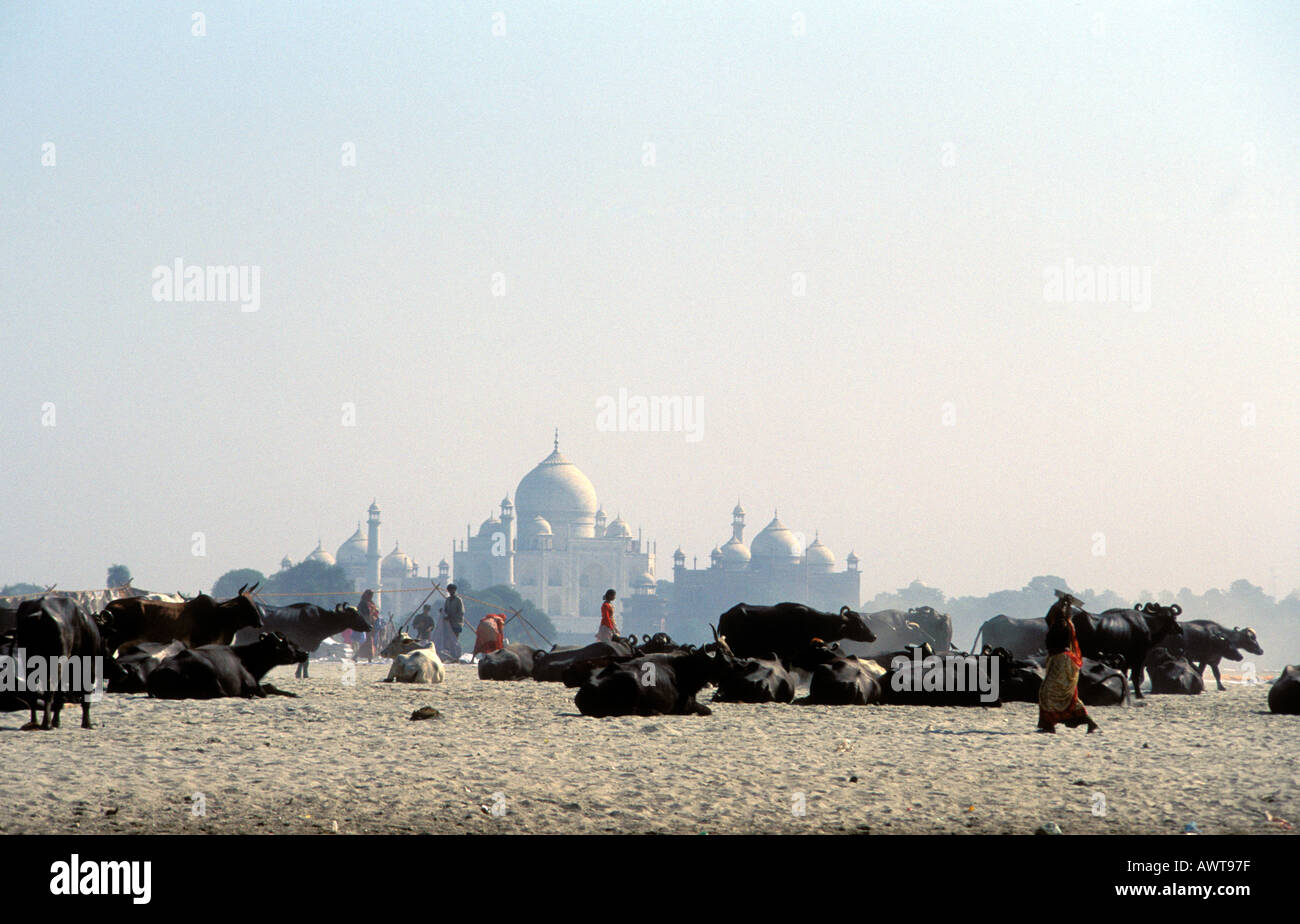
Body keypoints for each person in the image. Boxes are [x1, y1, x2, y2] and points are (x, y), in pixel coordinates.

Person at [1038, 594, 1100, 734]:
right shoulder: (1058, 622)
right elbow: (1048, 618)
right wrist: (1060, 602)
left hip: (1062, 661)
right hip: (1058, 660)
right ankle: (1048, 725)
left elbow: (1051, 617)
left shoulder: (1063, 624)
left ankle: (1086, 722)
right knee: (1054, 693)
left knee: (1051, 692)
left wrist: (1062, 604)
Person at [435, 584, 465, 662]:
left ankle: (456, 656)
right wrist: (442, 612)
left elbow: (461, 612)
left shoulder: (458, 600)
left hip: (457, 623)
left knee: (455, 640)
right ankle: (451, 656)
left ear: (454, 590)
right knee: (449, 640)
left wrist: (451, 616)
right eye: (449, 590)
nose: (451, 592)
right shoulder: (447, 600)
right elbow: (446, 610)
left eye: (452, 590)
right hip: (449, 624)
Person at [357, 589, 379, 661]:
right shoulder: (362, 603)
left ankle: (357, 656)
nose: (371, 597)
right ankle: (369, 657)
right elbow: (363, 614)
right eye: (370, 595)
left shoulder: (370, 602)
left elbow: (375, 611)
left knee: (369, 640)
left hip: (372, 623)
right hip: (365, 623)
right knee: (369, 640)